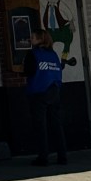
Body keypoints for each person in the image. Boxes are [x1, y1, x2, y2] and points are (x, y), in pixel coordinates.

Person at [25, 29, 67, 167]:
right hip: (54, 91)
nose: (30, 39)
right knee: (56, 125)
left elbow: (29, 71)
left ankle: (43, 157)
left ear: (39, 40)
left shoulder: (33, 54)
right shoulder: (53, 55)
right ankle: (62, 156)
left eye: (32, 37)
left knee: (40, 126)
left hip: (38, 91)